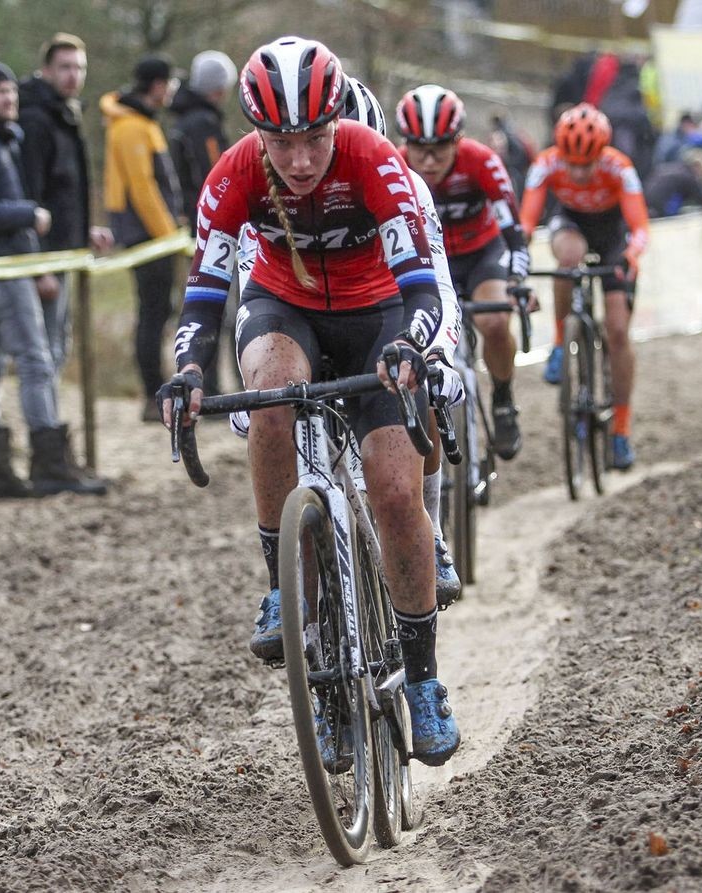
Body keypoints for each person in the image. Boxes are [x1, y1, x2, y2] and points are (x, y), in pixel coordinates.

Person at [160, 37, 461, 765]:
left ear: (338, 122)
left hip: (379, 311)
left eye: (315, 139)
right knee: (268, 397)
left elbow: (423, 286)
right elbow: (203, 295)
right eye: (281, 142)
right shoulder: (232, 175)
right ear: (256, 132)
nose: (298, 160)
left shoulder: (374, 160)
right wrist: (189, 369)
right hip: (285, 307)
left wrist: (415, 348)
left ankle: (421, 677)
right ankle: (280, 587)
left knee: (393, 489)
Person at [228, 74, 467, 609]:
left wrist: (437, 356)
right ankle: (293, 598)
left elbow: (439, 288)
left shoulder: (404, 185)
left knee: (417, 386)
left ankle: (430, 531)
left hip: (385, 314)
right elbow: (250, 298)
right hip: (302, 323)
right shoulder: (269, 190)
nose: (316, 173)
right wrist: (251, 391)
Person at [0, 60, 105, 498]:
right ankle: (48, 463)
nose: (9, 99)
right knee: (34, 359)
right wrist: (30, 214)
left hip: (5, 267)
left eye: (11, 91)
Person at [396, 83, 531, 461]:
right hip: (429, 264)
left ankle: (503, 398)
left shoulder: (482, 160)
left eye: (439, 147)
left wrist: (518, 280)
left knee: (494, 323)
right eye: (418, 147)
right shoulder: (394, 164)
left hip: (481, 255)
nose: (427, 159)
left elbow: (514, 234)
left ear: (457, 139)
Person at [520, 102, 650, 471]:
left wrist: (631, 256)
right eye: (571, 162)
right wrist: (520, 248)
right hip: (571, 223)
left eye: (586, 163)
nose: (577, 172)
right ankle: (562, 343)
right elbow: (526, 220)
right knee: (568, 259)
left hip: (612, 235)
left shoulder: (620, 168)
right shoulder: (545, 164)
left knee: (618, 332)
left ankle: (621, 430)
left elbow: (640, 226)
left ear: (601, 153)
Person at [19, 32, 115, 379]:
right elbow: (31, 194)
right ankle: (44, 426)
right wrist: (37, 266)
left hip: (64, 248)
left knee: (59, 341)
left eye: (79, 67)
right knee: (44, 346)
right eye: (64, 67)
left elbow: (65, 190)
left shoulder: (66, 115)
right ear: (46, 70)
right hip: (43, 256)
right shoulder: (35, 119)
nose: (73, 75)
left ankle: (49, 419)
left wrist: (83, 229)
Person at [101, 55, 183, 419]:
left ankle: (155, 391)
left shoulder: (142, 122)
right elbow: (143, 189)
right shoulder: (131, 126)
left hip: (153, 236)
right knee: (152, 314)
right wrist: (169, 236)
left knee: (158, 310)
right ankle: (153, 395)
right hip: (148, 237)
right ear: (157, 85)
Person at [168, 49, 238, 396]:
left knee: (208, 306)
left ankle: (210, 383)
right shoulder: (205, 124)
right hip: (213, 229)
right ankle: (215, 385)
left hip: (196, 225)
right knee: (221, 308)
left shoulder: (182, 119)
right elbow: (219, 177)